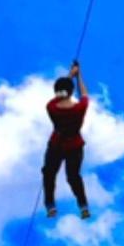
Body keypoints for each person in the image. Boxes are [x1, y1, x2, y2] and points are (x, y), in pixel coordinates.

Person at [43, 61, 91, 220]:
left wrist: (70, 74)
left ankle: (50, 205)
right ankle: (83, 206)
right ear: (71, 92)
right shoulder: (80, 108)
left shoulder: (51, 107)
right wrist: (79, 75)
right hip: (74, 146)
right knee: (73, 177)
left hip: (56, 144)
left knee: (49, 173)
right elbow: (84, 94)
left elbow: (60, 94)